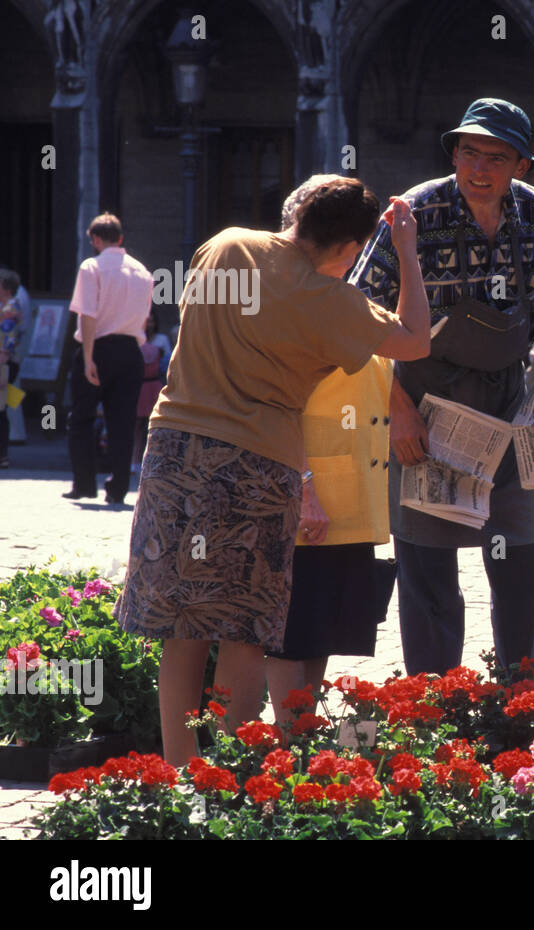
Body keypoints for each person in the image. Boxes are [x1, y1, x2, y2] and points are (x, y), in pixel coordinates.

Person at [115, 178, 432, 764]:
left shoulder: (227, 245)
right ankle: (227, 769)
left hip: (174, 450)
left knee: (182, 628)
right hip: (257, 461)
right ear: (350, 249)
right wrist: (407, 251)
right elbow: (414, 341)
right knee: (245, 627)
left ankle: (179, 769)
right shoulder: (330, 300)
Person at [350, 97, 534, 678]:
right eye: (469, 152)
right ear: (454, 153)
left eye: (496, 156)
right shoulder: (417, 213)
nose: (479, 167)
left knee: (521, 556)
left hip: (510, 403)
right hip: (426, 406)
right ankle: (437, 699)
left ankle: (524, 691)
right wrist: (397, 411)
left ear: (522, 165)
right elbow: (357, 319)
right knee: (428, 563)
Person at [264, 175, 399, 726]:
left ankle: (303, 727)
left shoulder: (343, 299)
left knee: (320, 626)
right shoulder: (293, 305)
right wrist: (305, 488)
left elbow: (410, 342)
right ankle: (285, 734)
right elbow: (281, 406)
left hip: (351, 498)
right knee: (289, 630)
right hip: (313, 494)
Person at [64, 215, 154, 504]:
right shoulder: (143, 271)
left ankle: (84, 483)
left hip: (99, 346)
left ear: (95, 240)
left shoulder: (92, 267)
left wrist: (89, 357)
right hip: (131, 351)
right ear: (121, 238)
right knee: (123, 421)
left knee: (81, 417)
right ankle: (118, 487)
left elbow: (87, 314)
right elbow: (144, 319)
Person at [132, 310, 172, 470]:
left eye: (151, 321)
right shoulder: (135, 338)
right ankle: (134, 460)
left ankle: (150, 461)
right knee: (136, 425)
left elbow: (168, 362)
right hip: (138, 385)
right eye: (146, 321)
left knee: (153, 425)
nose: (149, 324)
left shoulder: (161, 340)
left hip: (154, 384)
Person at [0, 269, 24, 468]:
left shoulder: (9, 308)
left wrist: (1, 364)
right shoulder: (7, 306)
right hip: (6, 362)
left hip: (3, 363)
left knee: (1, 408)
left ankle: (2, 455)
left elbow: (6, 342)